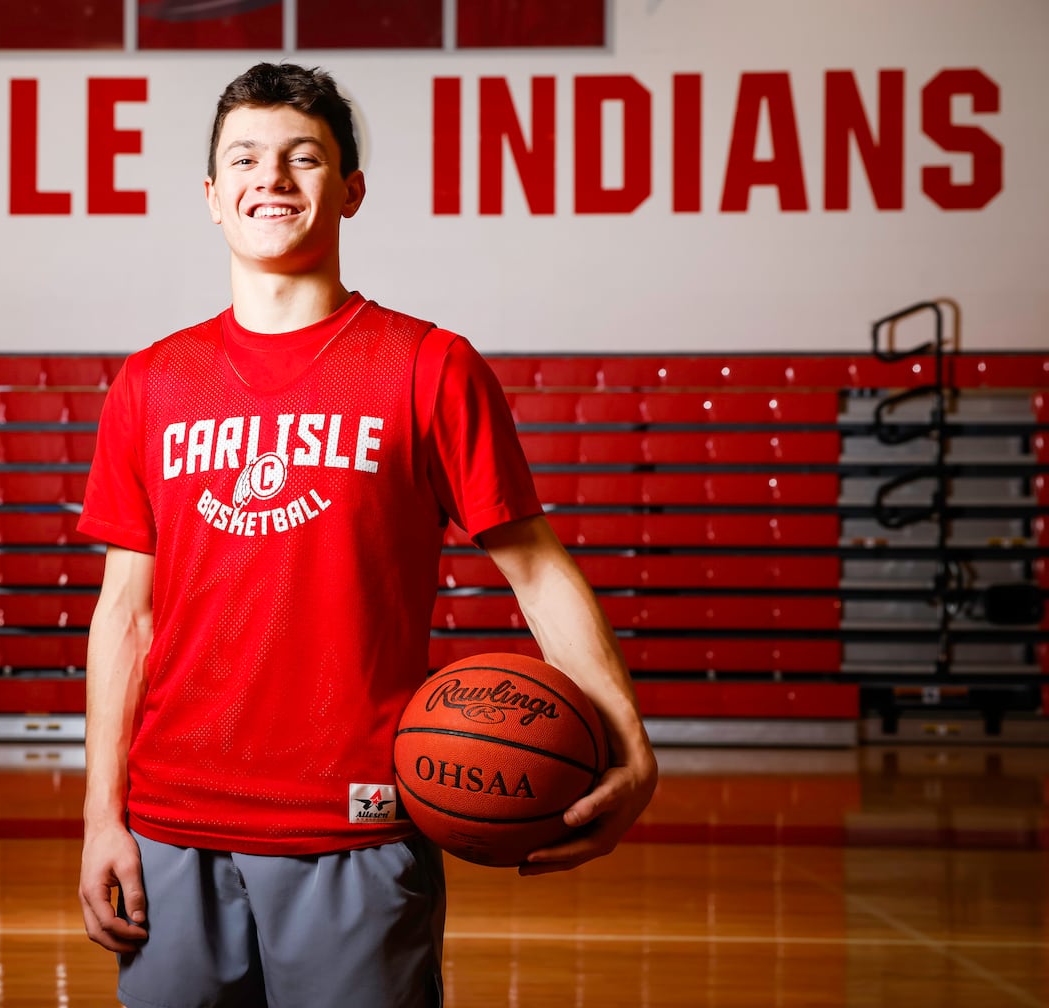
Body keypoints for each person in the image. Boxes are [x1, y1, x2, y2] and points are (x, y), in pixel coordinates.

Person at [76, 61, 657, 1008]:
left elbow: (538, 575)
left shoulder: (429, 367)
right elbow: (123, 617)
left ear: (349, 189)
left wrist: (630, 741)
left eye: (305, 157)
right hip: (170, 830)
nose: (273, 177)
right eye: (246, 159)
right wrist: (102, 814)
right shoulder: (152, 383)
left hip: (356, 825)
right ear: (213, 196)